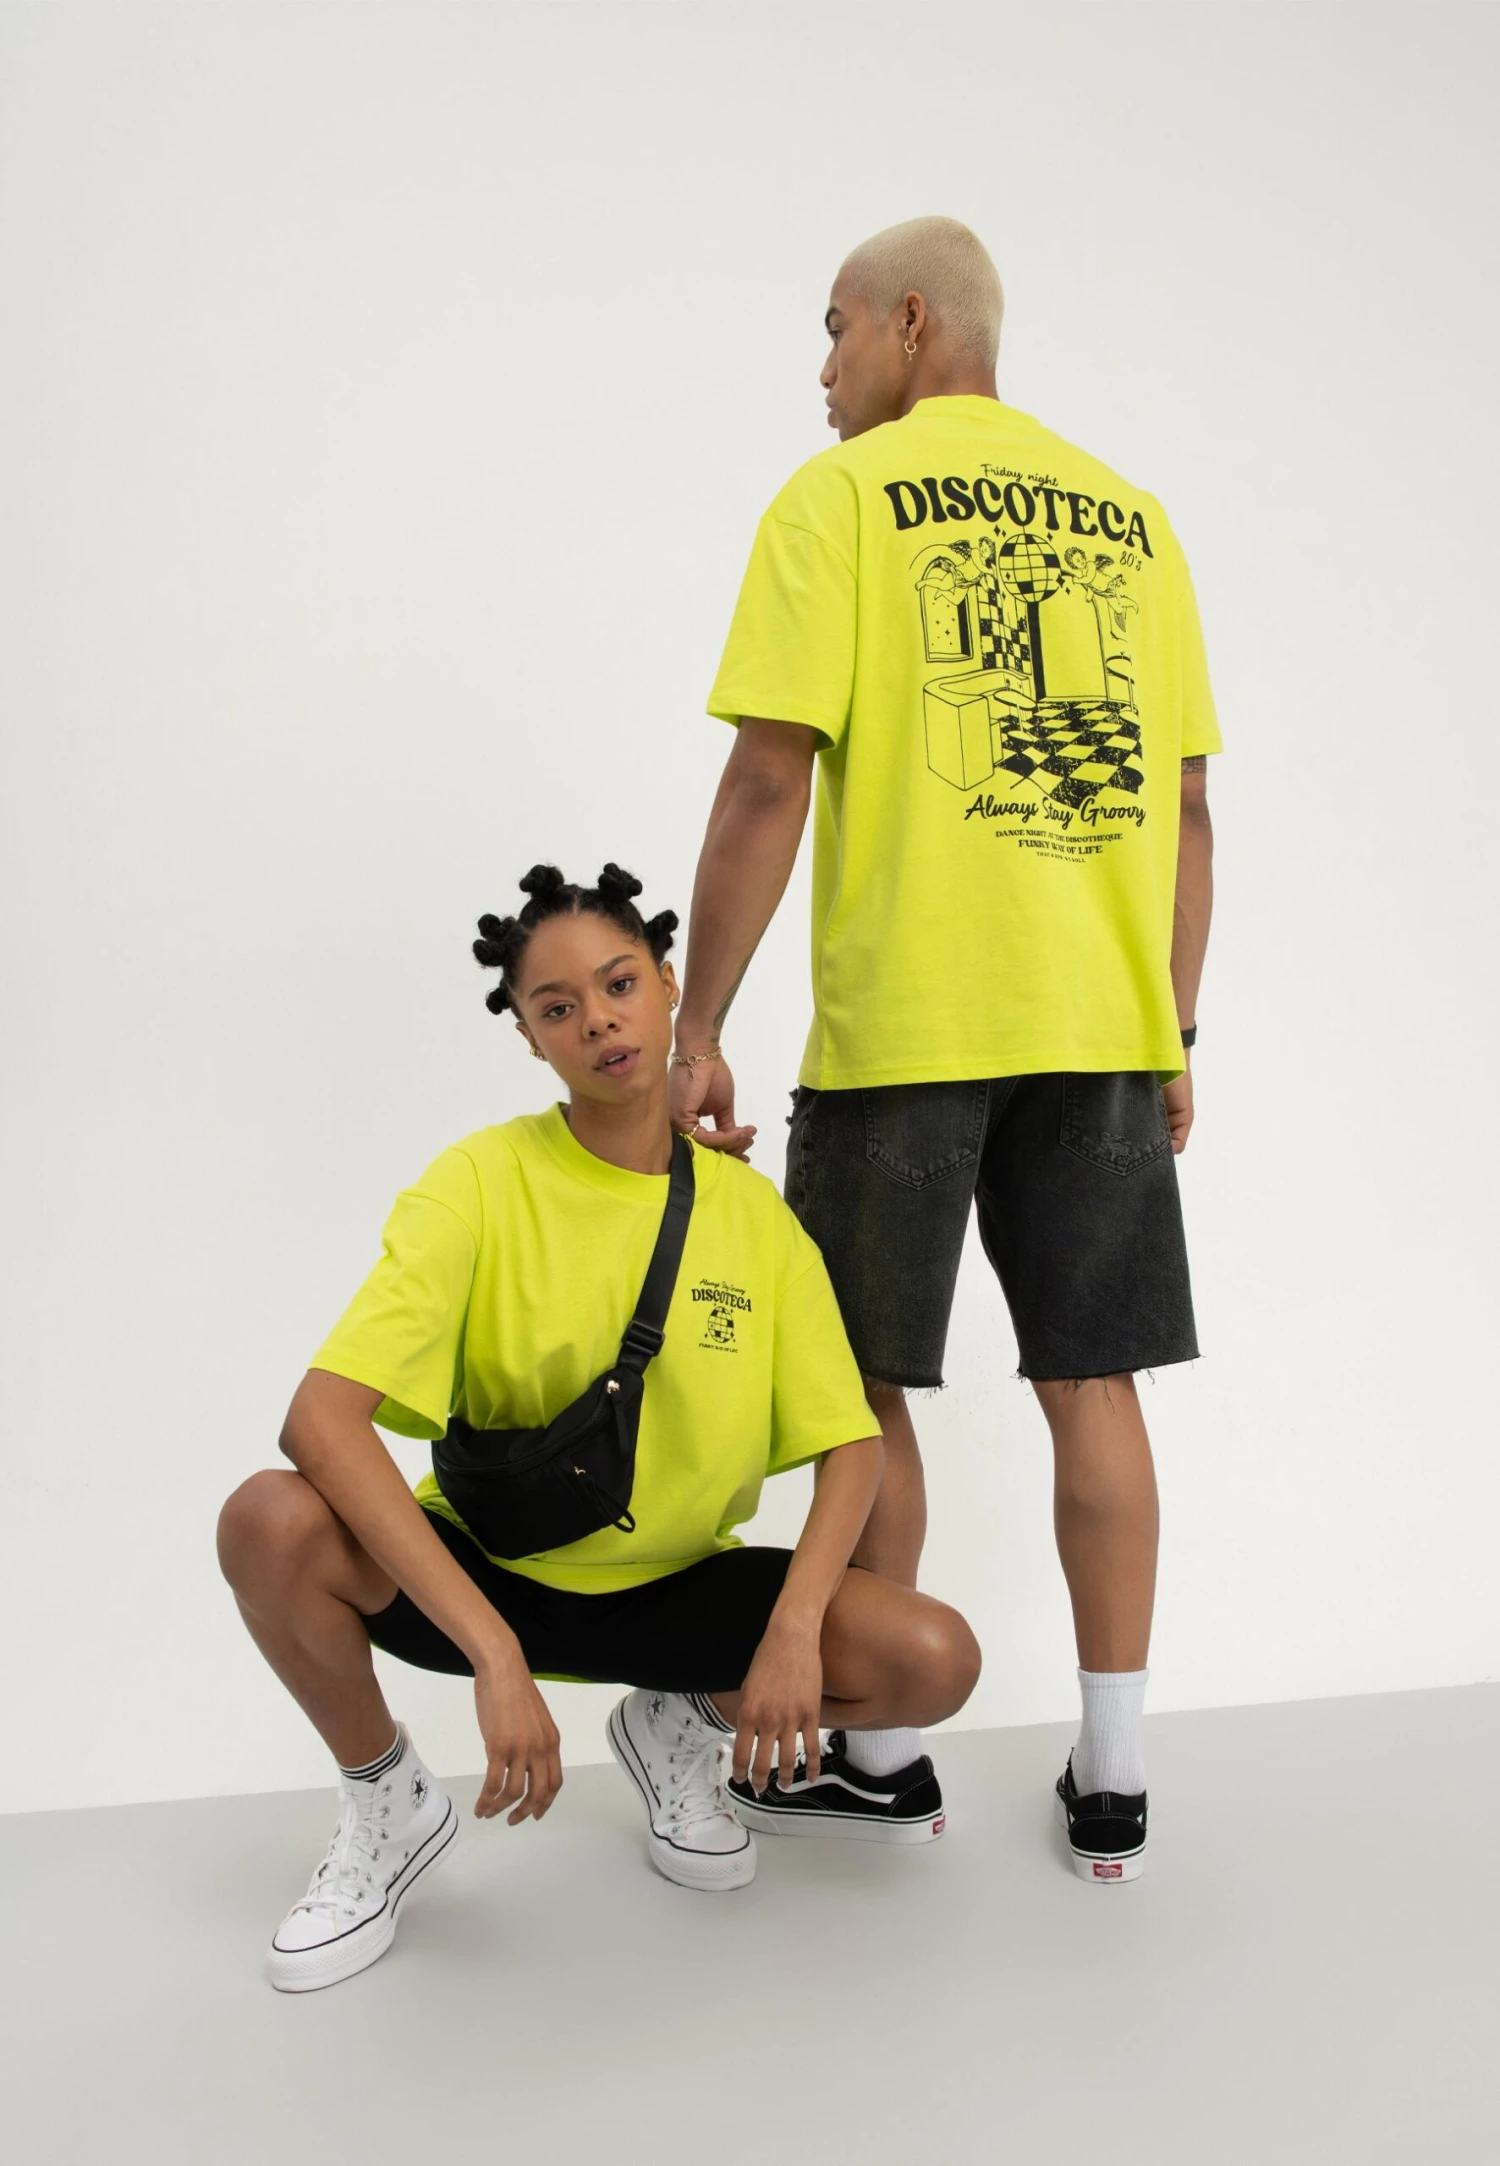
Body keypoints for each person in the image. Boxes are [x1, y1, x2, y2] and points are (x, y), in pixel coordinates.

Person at [670, 216, 1220, 1883]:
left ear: (914, 321)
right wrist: (1174, 1024)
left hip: (906, 1030)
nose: (822, 367)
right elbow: (1188, 808)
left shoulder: (839, 498)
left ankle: (884, 1757)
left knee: (861, 1388)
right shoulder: (1132, 515)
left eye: (836, 327)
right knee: (1094, 1382)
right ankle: (1113, 1776)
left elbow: (769, 778)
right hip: (1101, 1027)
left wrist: (698, 1022)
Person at [217, 862, 979, 1992]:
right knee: (266, 1521)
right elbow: (320, 1421)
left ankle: (677, 1728)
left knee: (933, 1657)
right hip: (490, 1571)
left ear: (669, 987)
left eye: (620, 984)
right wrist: (492, 1654)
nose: (599, 1021)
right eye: (558, 1006)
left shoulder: (751, 1216)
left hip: (676, 1589)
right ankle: (386, 1801)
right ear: (530, 1039)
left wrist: (793, 1627)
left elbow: (851, 1441)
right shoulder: (480, 1181)